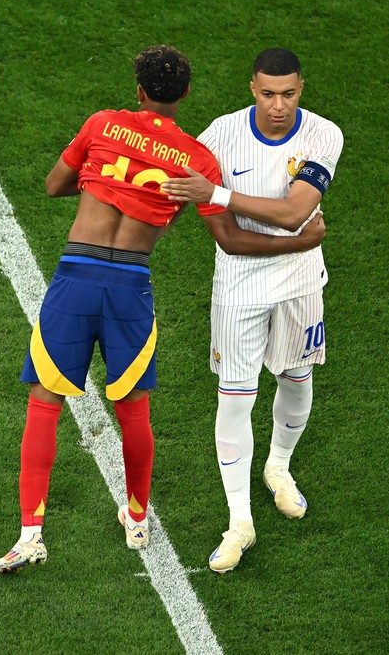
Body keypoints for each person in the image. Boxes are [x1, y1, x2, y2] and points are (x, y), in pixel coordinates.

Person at [0, 45, 327, 573]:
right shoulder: (197, 161)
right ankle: (137, 518)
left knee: (44, 402)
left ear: (140, 91)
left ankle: (30, 534)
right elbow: (234, 242)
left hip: (76, 278)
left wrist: (99, 178)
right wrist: (302, 243)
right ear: (186, 94)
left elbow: (53, 185)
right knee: (133, 408)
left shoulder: (102, 124)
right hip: (130, 286)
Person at [162, 48, 344, 573]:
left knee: (297, 379)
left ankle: (279, 468)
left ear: (301, 89)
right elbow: (229, 240)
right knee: (235, 399)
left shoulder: (323, 136)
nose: (278, 104)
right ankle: (239, 520)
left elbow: (293, 213)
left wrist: (218, 192)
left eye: (288, 93)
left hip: (300, 285)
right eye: (268, 93)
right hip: (239, 289)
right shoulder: (218, 135)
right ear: (252, 88)